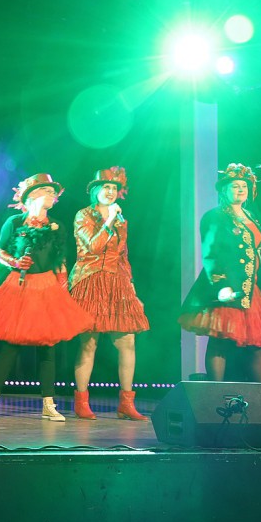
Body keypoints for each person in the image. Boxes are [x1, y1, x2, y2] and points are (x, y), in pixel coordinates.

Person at [0, 174, 93, 423]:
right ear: (32, 195)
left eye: (53, 192)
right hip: (19, 285)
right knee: (10, 345)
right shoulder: (15, 222)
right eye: (47, 191)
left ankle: (48, 404)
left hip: (47, 286)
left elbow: (60, 260)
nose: (52, 195)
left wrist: (62, 287)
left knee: (48, 346)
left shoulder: (57, 225)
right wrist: (14, 262)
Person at [179, 163, 261, 382]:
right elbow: (210, 253)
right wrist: (221, 285)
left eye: (244, 186)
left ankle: (258, 395)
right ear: (224, 190)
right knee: (220, 341)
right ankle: (215, 392)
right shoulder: (215, 216)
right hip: (227, 285)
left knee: (257, 345)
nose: (240, 190)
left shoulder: (251, 216)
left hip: (253, 289)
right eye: (235, 186)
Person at [69, 166, 150, 421]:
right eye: (106, 187)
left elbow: (123, 255)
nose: (111, 191)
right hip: (90, 280)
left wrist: (132, 287)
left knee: (127, 342)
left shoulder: (122, 220)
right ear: (95, 190)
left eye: (114, 188)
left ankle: (126, 403)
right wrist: (109, 220)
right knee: (89, 343)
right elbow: (93, 246)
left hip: (117, 282)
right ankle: (82, 401)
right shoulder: (84, 215)